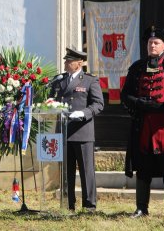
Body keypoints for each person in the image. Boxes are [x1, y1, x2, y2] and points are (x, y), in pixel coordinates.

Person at [121, 26, 164, 218]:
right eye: (149, 43)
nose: (152, 45)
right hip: (143, 125)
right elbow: (125, 95)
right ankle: (141, 208)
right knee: (143, 167)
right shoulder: (136, 67)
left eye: (156, 43)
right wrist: (139, 103)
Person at [49, 47, 104, 212]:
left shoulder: (89, 80)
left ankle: (89, 206)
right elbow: (51, 99)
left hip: (82, 131)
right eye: (65, 60)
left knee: (86, 171)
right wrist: (49, 104)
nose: (65, 63)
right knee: (66, 172)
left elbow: (98, 104)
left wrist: (84, 113)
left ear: (79, 63)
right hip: (64, 131)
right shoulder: (59, 80)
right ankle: (68, 204)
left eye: (69, 61)